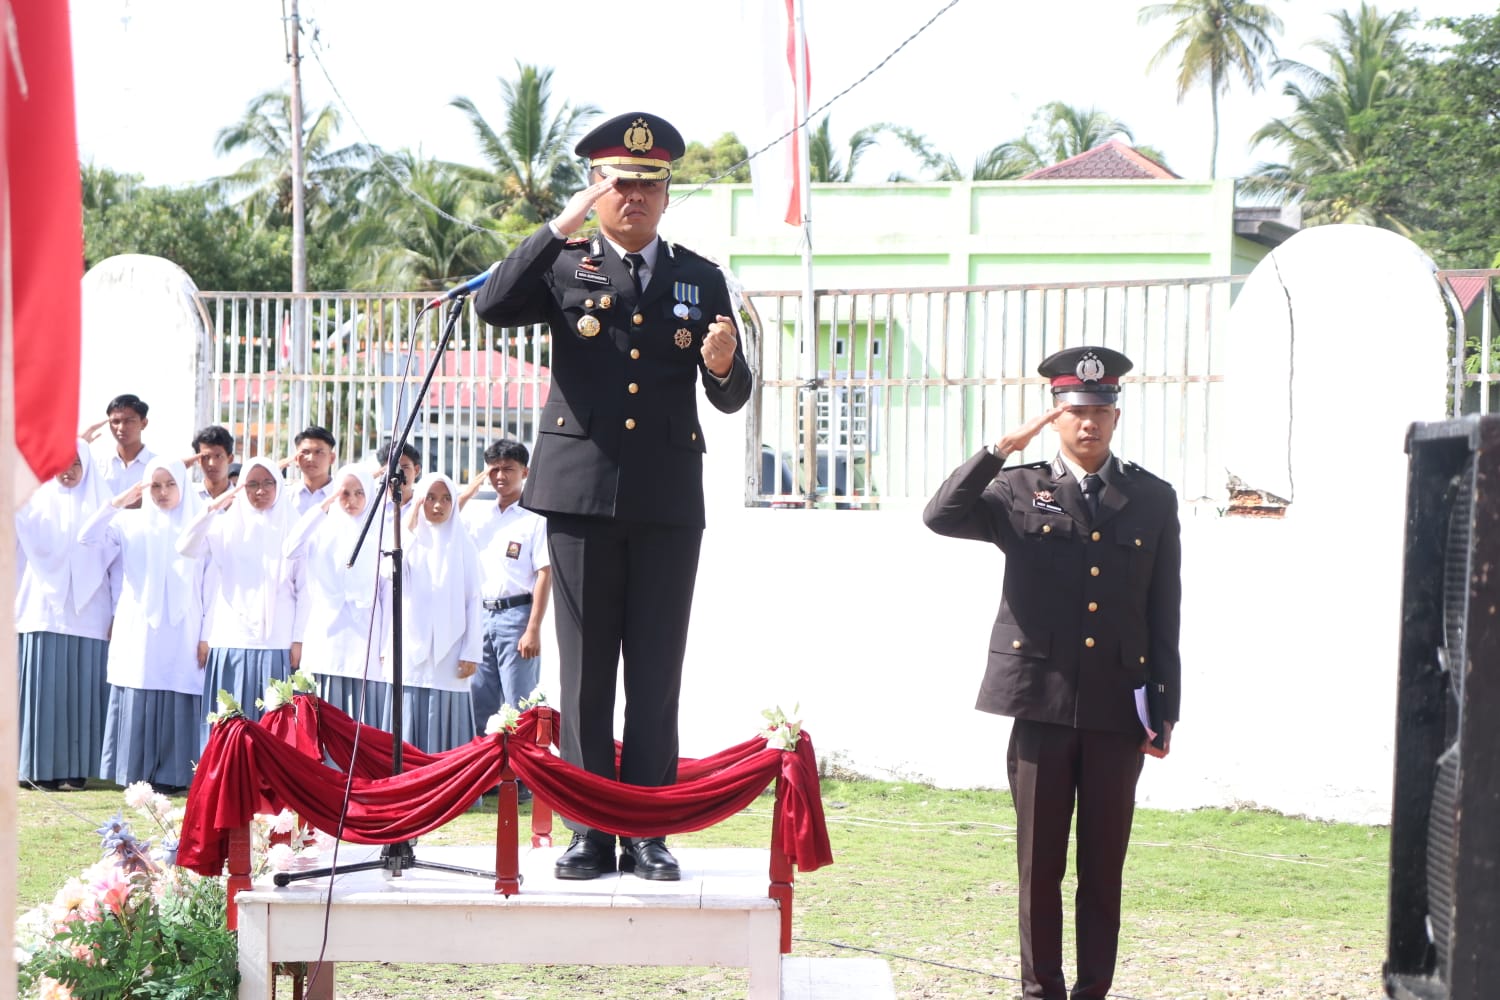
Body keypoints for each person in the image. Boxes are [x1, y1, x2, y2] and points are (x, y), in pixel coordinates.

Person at [474, 111, 752, 881]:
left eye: (648, 186)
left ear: (667, 194)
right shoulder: (564, 263)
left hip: (666, 500)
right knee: (588, 673)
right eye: (620, 185)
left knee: (657, 671)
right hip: (583, 498)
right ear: (597, 191)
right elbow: (494, 303)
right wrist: (556, 224)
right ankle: (593, 830)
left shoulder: (700, 276)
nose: (635, 198)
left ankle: (649, 829)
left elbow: (730, 396)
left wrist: (726, 366)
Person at [922, 346, 1182, 1000]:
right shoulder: (1015, 488)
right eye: (1075, 412)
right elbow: (940, 516)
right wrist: (995, 449)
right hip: (1039, 703)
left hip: (1119, 712)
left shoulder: (1150, 497)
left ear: (1116, 416)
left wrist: (1166, 706)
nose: (1088, 423)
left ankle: (1094, 989)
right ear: (1055, 417)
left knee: (1103, 869)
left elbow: (1164, 608)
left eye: (1100, 411)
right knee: (1039, 866)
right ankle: (1040, 991)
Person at [79, 458, 207, 792]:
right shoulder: (127, 522)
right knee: (140, 686)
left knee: (180, 687)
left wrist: (207, 635)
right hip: (138, 625)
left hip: (186, 626)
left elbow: (211, 584)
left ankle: (178, 775)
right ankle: (137, 773)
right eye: (155, 485)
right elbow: (86, 537)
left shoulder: (200, 523)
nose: (163, 493)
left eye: (170, 485)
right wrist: (118, 502)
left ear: (183, 485)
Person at [177, 455, 302, 749]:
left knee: (273, 727)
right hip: (232, 638)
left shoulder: (293, 526)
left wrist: (298, 640)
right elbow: (185, 547)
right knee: (231, 723)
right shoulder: (225, 525)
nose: (259, 491)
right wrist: (213, 507)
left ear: (279, 485)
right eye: (251, 484)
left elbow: (304, 589)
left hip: (276, 641)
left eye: (267, 483)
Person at [14, 441, 114, 790]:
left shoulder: (104, 506)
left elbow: (116, 566)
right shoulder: (32, 505)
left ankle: (77, 769)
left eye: (75, 464)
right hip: (42, 610)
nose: (68, 471)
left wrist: (115, 611)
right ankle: (37, 767)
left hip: (92, 613)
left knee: (83, 693)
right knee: (45, 691)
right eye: (60, 463)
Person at [285, 464, 388, 727]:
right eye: (344, 493)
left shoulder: (380, 533)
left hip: (366, 637)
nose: (351, 501)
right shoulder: (321, 531)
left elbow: (387, 597)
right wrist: (323, 507)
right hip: (326, 636)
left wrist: (386, 646)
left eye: (359, 493)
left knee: (362, 719)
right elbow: (290, 549)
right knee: (324, 713)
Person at [459, 440, 551, 736]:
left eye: (508, 469)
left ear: (525, 471)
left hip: (516, 617)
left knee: (520, 704)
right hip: (481, 617)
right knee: (479, 701)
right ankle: (486, 778)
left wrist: (533, 628)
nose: (500, 476)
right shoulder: (478, 516)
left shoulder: (535, 518)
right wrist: (471, 489)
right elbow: (444, 519)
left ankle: (521, 779)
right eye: (494, 469)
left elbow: (544, 574)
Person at [395, 473, 483, 753]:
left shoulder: (464, 544)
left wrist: (472, 651)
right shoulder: (406, 541)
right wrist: (408, 529)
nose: (437, 506)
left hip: (452, 649)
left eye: (446, 499)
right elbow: (390, 577)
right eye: (430, 498)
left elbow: (474, 600)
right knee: (409, 703)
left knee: (446, 707)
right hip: (411, 646)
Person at [97, 394, 156, 501]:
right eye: (115, 422)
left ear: (144, 423)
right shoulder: (97, 465)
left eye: (129, 421)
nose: (121, 428)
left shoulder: (157, 466)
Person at [290, 426, 338, 515]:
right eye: (305, 452)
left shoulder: (340, 496)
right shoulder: (287, 497)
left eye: (319, 452)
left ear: (332, 458)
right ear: (296, 459)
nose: (311, 458)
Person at [190, 425, 236, 502]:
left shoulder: (241, 499)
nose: (212, 463)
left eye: (218, 456)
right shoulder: (189, 496)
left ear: (230, 459)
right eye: (205, 457)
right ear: (198, 459)